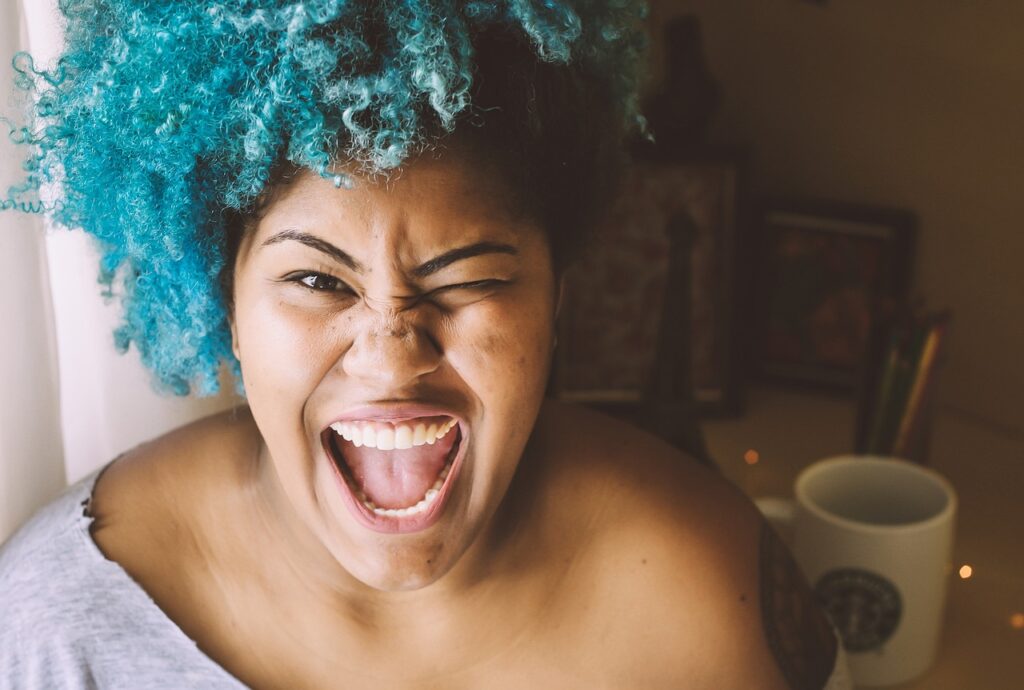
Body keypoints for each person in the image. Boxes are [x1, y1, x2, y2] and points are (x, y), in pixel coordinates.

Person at [0, 2, 846, 687]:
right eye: (319, 281)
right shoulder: (61, 633)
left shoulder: (708, 601)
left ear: (559, 307)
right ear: (227, 307)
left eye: (468, 280)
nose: (393, 355)